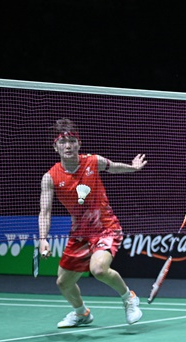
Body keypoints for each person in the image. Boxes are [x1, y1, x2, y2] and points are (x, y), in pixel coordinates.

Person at [39, 118, 147, 328]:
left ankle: (129, 298)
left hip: (106, 228)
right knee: (63, 283)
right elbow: (45, 211)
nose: (68, 146)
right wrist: (43, 239)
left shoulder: (93, 161)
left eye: (72, 141)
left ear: (79, 144)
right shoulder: (50, 178)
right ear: (55, 147)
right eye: (62, 142)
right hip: (80, 234)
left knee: (98, 269)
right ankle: (82, 313)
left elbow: (113, 167)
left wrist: (133, 168)